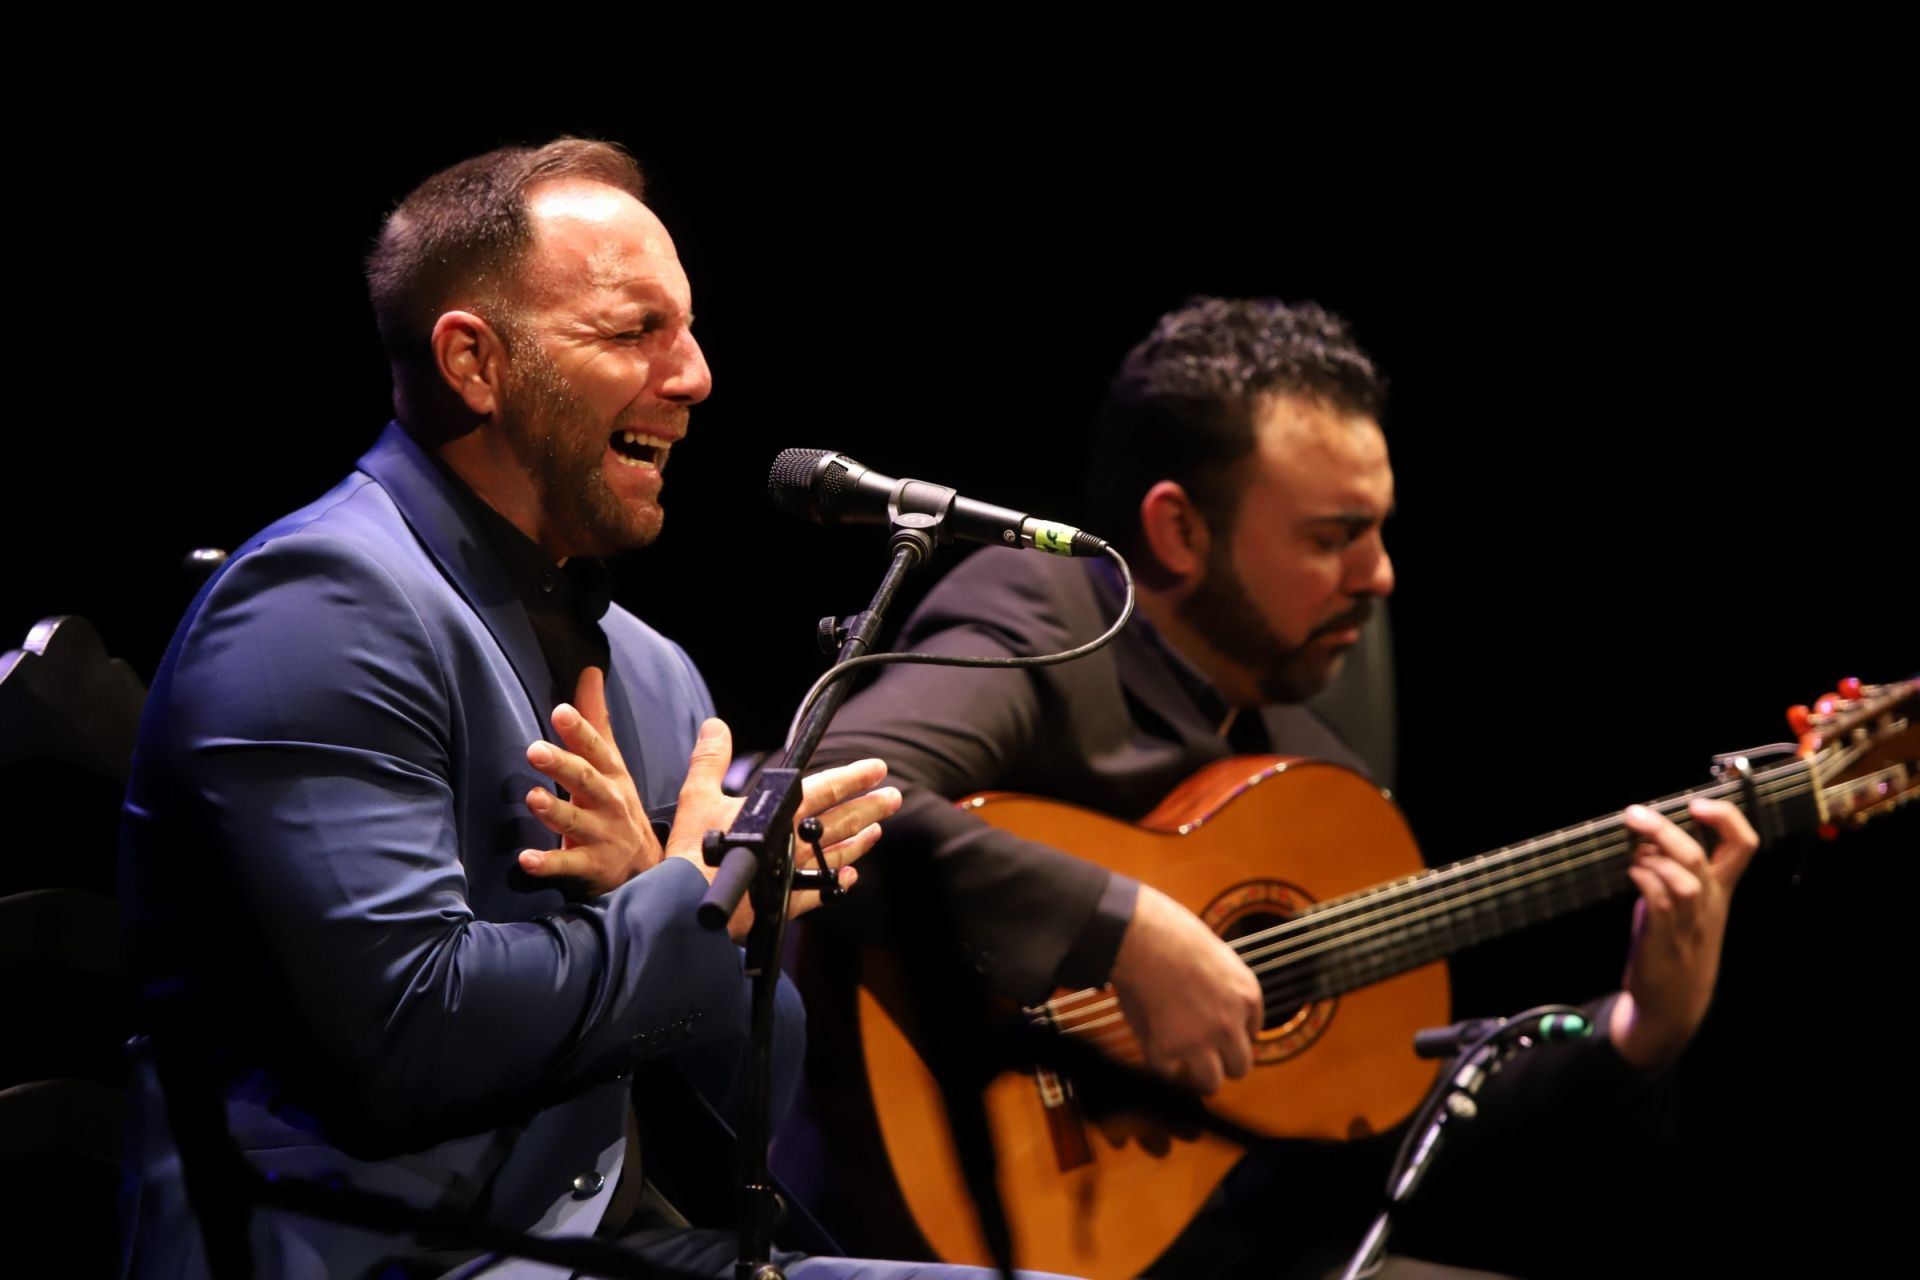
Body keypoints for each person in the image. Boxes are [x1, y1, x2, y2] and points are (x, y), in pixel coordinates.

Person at [117, 138, 1068, 1280]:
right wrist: (683, 907)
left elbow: (747, 1106)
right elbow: (401, 1041)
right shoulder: (318, 606)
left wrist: (676, 905)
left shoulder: (651, 671)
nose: (698, 374)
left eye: (691, 327)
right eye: (634, 331)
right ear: (474, 361)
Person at [794, 298, 1760, 1277]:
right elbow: (828, 807)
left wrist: (1638, 1027)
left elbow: (1382, 1097)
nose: (1379, 575)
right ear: (1178, 529)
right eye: (1332, 535)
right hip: (928, 1215)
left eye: (1380, 530)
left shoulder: (1313, 755)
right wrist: (1123, 929)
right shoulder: (1048, 615)